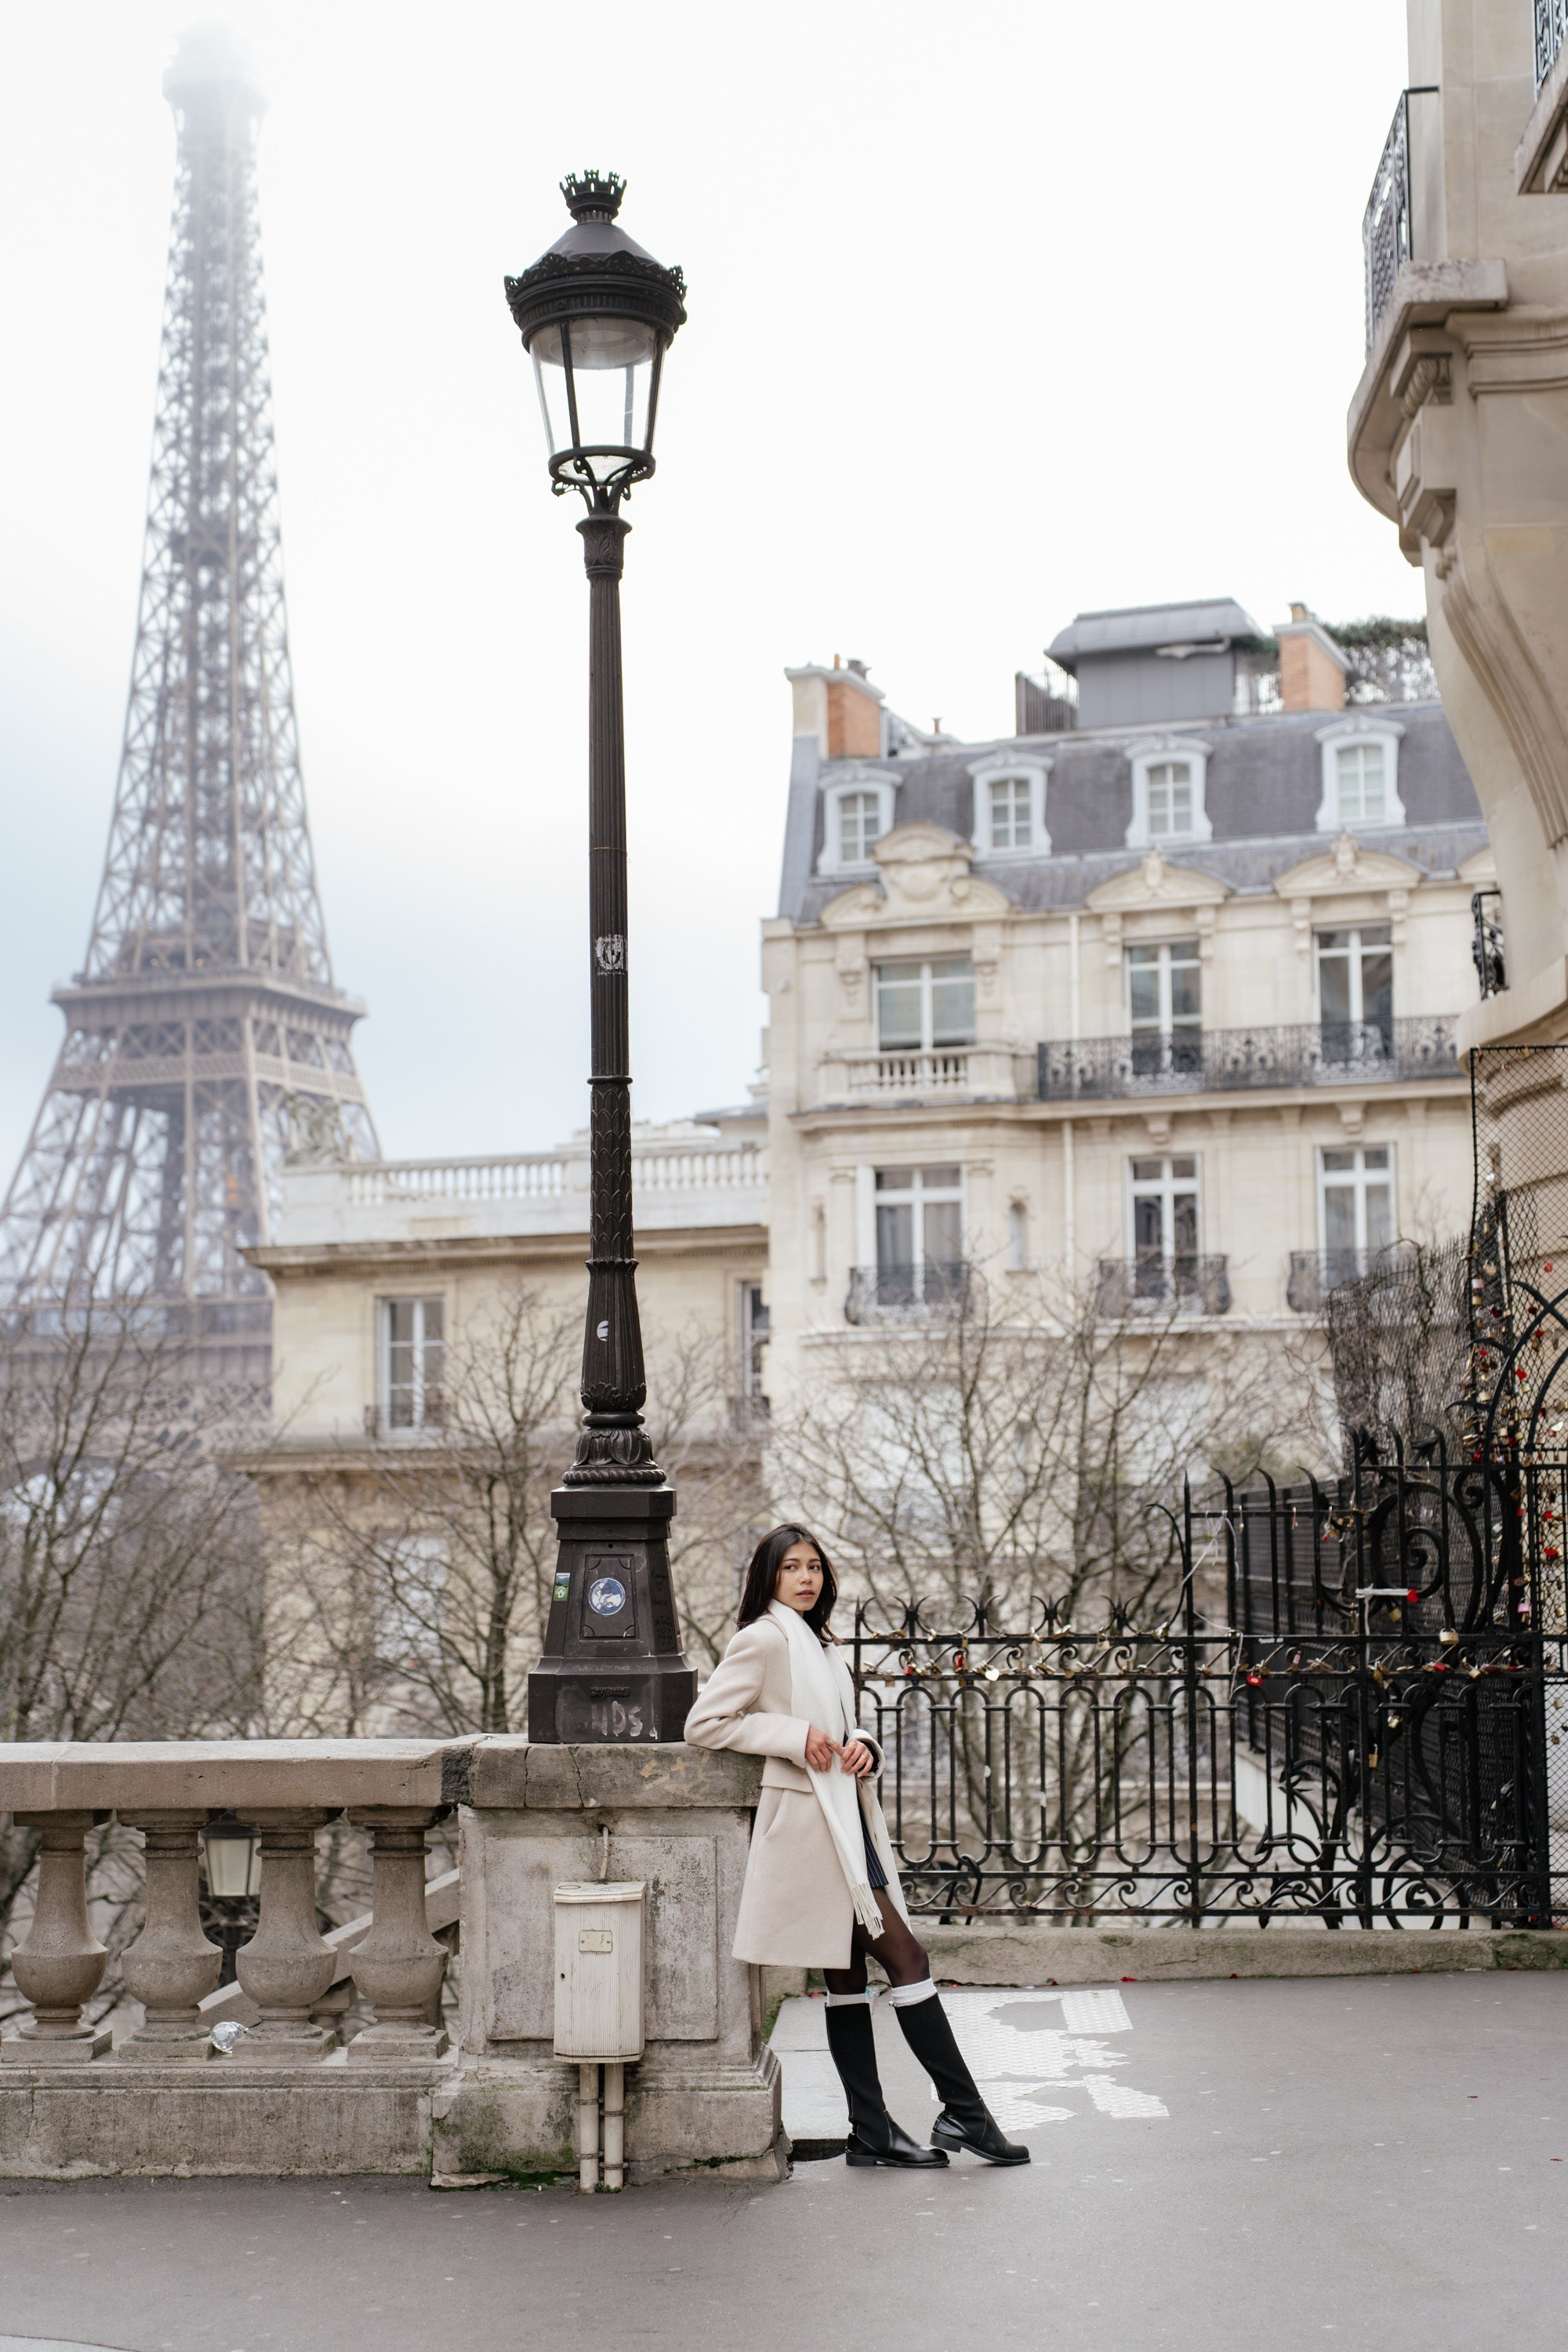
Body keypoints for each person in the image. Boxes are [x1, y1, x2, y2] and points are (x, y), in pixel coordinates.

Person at [684, 1523, 1028, 2170]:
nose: (807, 1578)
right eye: (792, 1567)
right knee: (908, 1958)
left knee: (846, 1979)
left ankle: (871, 2130)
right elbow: (704, 1722)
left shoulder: (817, 1641)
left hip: (845, 1823)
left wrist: (862, 1740)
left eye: (814, 1566)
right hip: (815, 1831)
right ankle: (966, 2113)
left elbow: (841, 1721)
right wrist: (792, 1734)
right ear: (769, 1576)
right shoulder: (762, 1638)